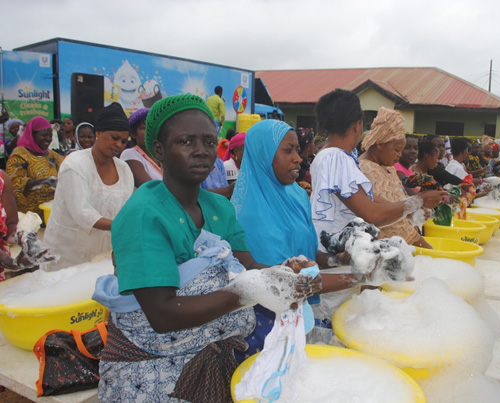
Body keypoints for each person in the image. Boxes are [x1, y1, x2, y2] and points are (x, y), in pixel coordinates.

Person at [94, 94, 313, 402]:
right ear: (159, 150)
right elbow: (162, 314)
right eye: (186, 142)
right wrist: (250, 290)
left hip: (210, 359)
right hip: (150, 372)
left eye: (210, 142)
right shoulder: (144, 214)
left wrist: (285, 272)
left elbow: (250, 267)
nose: (201, 152)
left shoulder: (219, 209)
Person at [232, 118, 361, 356]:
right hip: (264, 324)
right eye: (288, 151)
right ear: (263, 154)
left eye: (297, 150)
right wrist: (360, 276)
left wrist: (340, 259)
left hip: (299, 315)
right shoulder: (248, 212)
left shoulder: (296, 194)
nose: (298, 158)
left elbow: (309, 255)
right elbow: (289, 280)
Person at [310, 89, 445, 242]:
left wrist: (411, 209)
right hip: (334, 251)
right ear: (357, 125)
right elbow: (372, 214)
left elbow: (372, 199)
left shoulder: (332, 155)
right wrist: (418, 200)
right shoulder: (336, 157)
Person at [43, 103, 134, 270]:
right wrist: (118, 225)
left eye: (123, 141)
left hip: (105, 251)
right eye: (115, 138)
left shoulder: (124, 169)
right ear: (98, 132)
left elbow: (126, 209)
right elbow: (81, 212)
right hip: (69, 253)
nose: (119, 145)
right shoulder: (75, 164)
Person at [358, 107, 432, 248]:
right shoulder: (365, 169)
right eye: (397, 150)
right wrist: (425, 246)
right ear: (380, 144)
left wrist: (414, 214)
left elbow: (398, 205)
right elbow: (386, 220)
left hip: (406, 243)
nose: (399, 155)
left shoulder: (388, 167)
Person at [6, 116, 64, 217]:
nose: (48, 139)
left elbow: (67, 168)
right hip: (28, 215)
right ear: (32, 135)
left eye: (50, 136)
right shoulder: (19, 155)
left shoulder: (52, 156)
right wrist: (42, 182)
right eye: (44, 135)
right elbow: (14, 183)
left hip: (50, 213)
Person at [120, 108, 163, 188]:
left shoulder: (162, 156)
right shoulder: (130, 154)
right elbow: (149, 188)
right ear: (133, 134)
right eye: (144, 128)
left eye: (152, 128)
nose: (149, 132)